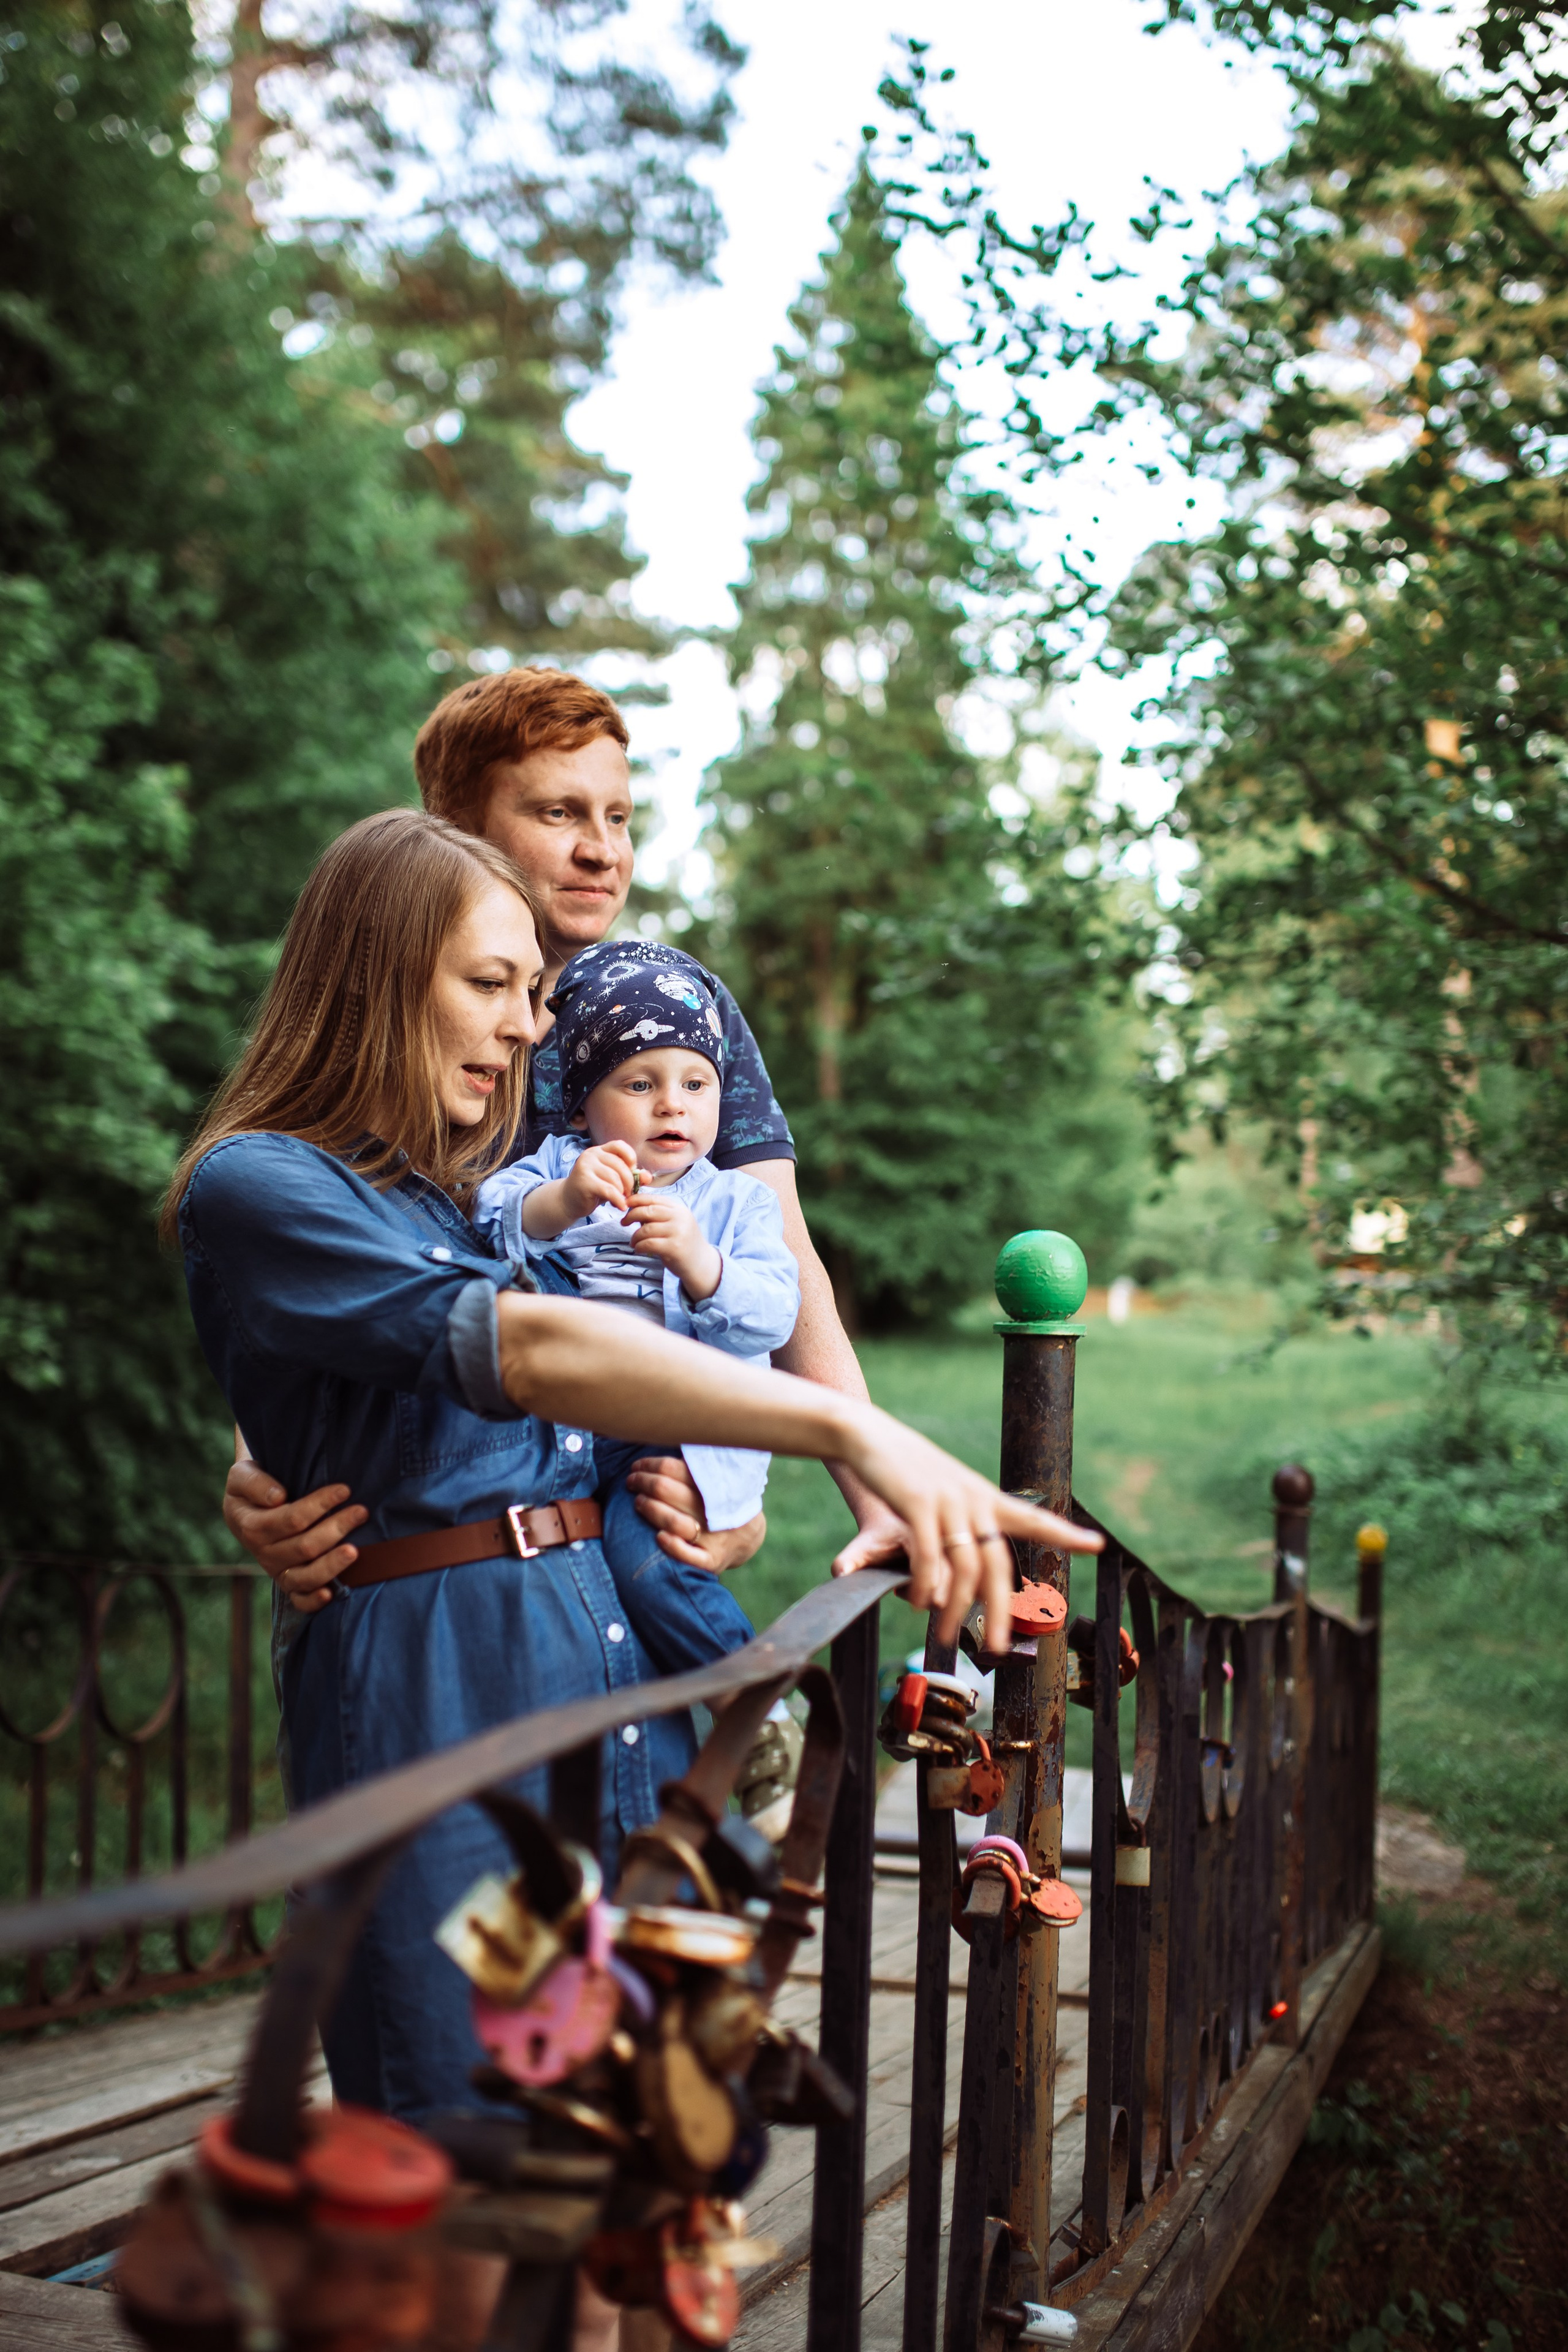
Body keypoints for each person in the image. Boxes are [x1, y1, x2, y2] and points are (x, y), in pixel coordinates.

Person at [164, 805, 1100, 2130]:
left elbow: (602, 1353)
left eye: (532, 992)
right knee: (480, 2118)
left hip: (591, 1667)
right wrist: (846, 1428)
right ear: (376, 982)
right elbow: (524, 1348)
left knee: (624, 2133)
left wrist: (709, 1505)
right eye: (490, 985)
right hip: (444, 1710)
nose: (528, 1028)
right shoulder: (264, 1183)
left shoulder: (454, 1197)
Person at [220, 666, 908, 1619]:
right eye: (558, 814)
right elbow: (323, 1250)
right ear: (453, 827)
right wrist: (263, 1463)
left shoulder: (676, 1008)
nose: (602, 852)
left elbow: (778, 1252)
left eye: (620, 818)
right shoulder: (401, 1014)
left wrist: (780, 1492)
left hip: (627, 1479)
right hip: (445, 1533)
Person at [473, 939, 797, 1721]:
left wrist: (702, 1263)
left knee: (647, 1562)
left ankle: (756, 1715)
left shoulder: (733, 1205)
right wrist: (563, 1203)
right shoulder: (558, 1164)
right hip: (569, 1429)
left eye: (695, 1083)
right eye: (639, 1084)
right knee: (552, 1570)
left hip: (680, 1431)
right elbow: (489, 1219)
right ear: (584, 1106)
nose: (672, 1105)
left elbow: (774, 1313)